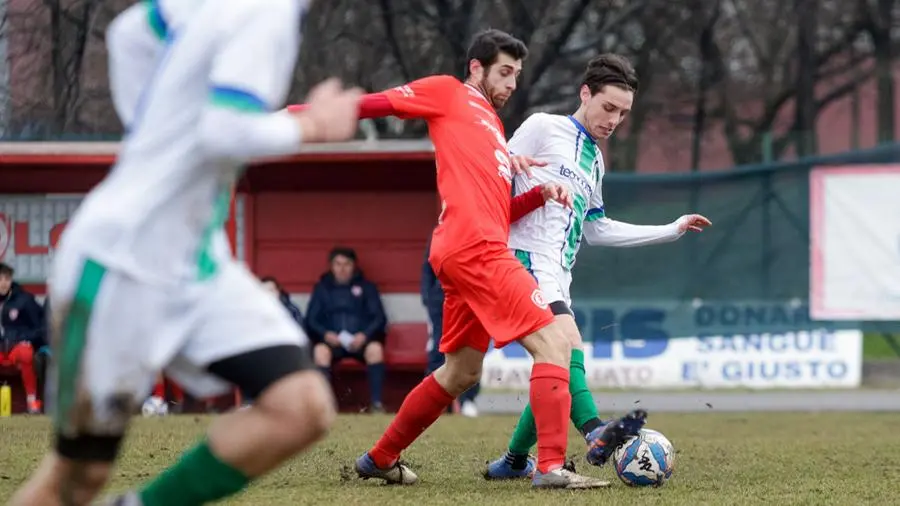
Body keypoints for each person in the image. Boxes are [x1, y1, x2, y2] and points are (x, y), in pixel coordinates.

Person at [9, 0, 363, 505]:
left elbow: (131, 36)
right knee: (74, 480)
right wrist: (315, 127)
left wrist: (155, 144)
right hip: (119, 267)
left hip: (195, 266)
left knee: (300, 405)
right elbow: (225, 130)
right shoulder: (269, 11)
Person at [291, 29, 634, 489]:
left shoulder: (492, 128)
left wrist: (538, 196)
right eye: (505, 72)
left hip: (464, 251)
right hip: (477, 251)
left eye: (517, 74)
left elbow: (498, 211)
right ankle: (550, 466)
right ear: (476, 67)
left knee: (461, 372)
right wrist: (280, 119)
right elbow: (373, 104)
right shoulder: (448, 92)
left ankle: (380, 457)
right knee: (555, 345)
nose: (512, 84)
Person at [484, 54, 712, 479]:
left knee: (555, 369)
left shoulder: (596, 160)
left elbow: (598, 230)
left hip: (558, 274)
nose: (615, 120)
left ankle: (514, 461)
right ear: (585, 93)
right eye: (608, 108)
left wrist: (672, 229)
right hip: (525, 258)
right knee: (567, 347)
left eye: (623, 113)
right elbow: (493, 177)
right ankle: (594, 432)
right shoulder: (541, 127)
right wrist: (506, 162)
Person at [306, 247, 388, 413]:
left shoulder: (367, 288)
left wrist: (364, 335)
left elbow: (379, 318)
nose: (342, 269)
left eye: (347, 264)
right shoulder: (322, 288)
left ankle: (376, 404)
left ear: (354, 266)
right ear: (331, 266)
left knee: (376, 350)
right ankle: (324, 406)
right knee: (320, 352)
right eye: (338, 264)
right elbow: (311, 320)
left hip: (360, 341)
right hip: (333, 342)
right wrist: (325, 334)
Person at [420, 232, 479, 417]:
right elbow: (427, 269)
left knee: (469, 349)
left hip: (469, 299)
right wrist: (429, 298)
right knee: (439, 349)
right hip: (440, 301)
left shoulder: (476, 229)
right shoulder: (440, 233)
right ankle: (432, 404)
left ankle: (467, 400)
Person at [0, 262, 45, 413]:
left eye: (6, 279)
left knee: (26, 352)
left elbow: (40, 327)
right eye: (0, 279)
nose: (3, 283)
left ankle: (32, 402)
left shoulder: (24, 299)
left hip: (15, 347)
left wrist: (26, 338)